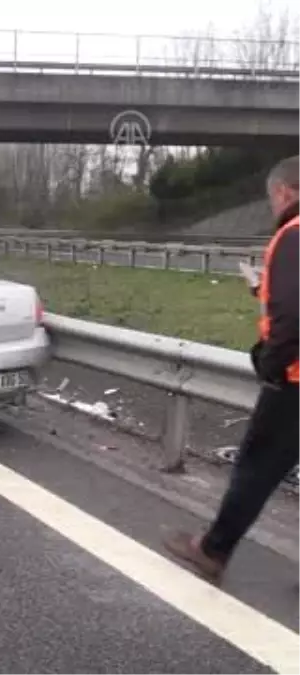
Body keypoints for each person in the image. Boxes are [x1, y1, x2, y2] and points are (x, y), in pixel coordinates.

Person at [162, 154, 300, 585]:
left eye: (271, 199)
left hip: (295, 382)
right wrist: (264, 287)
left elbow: (293, 316)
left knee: (256, 470)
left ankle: (212, 549)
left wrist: (270, 365)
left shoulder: (292, 235)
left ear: (283, 191)